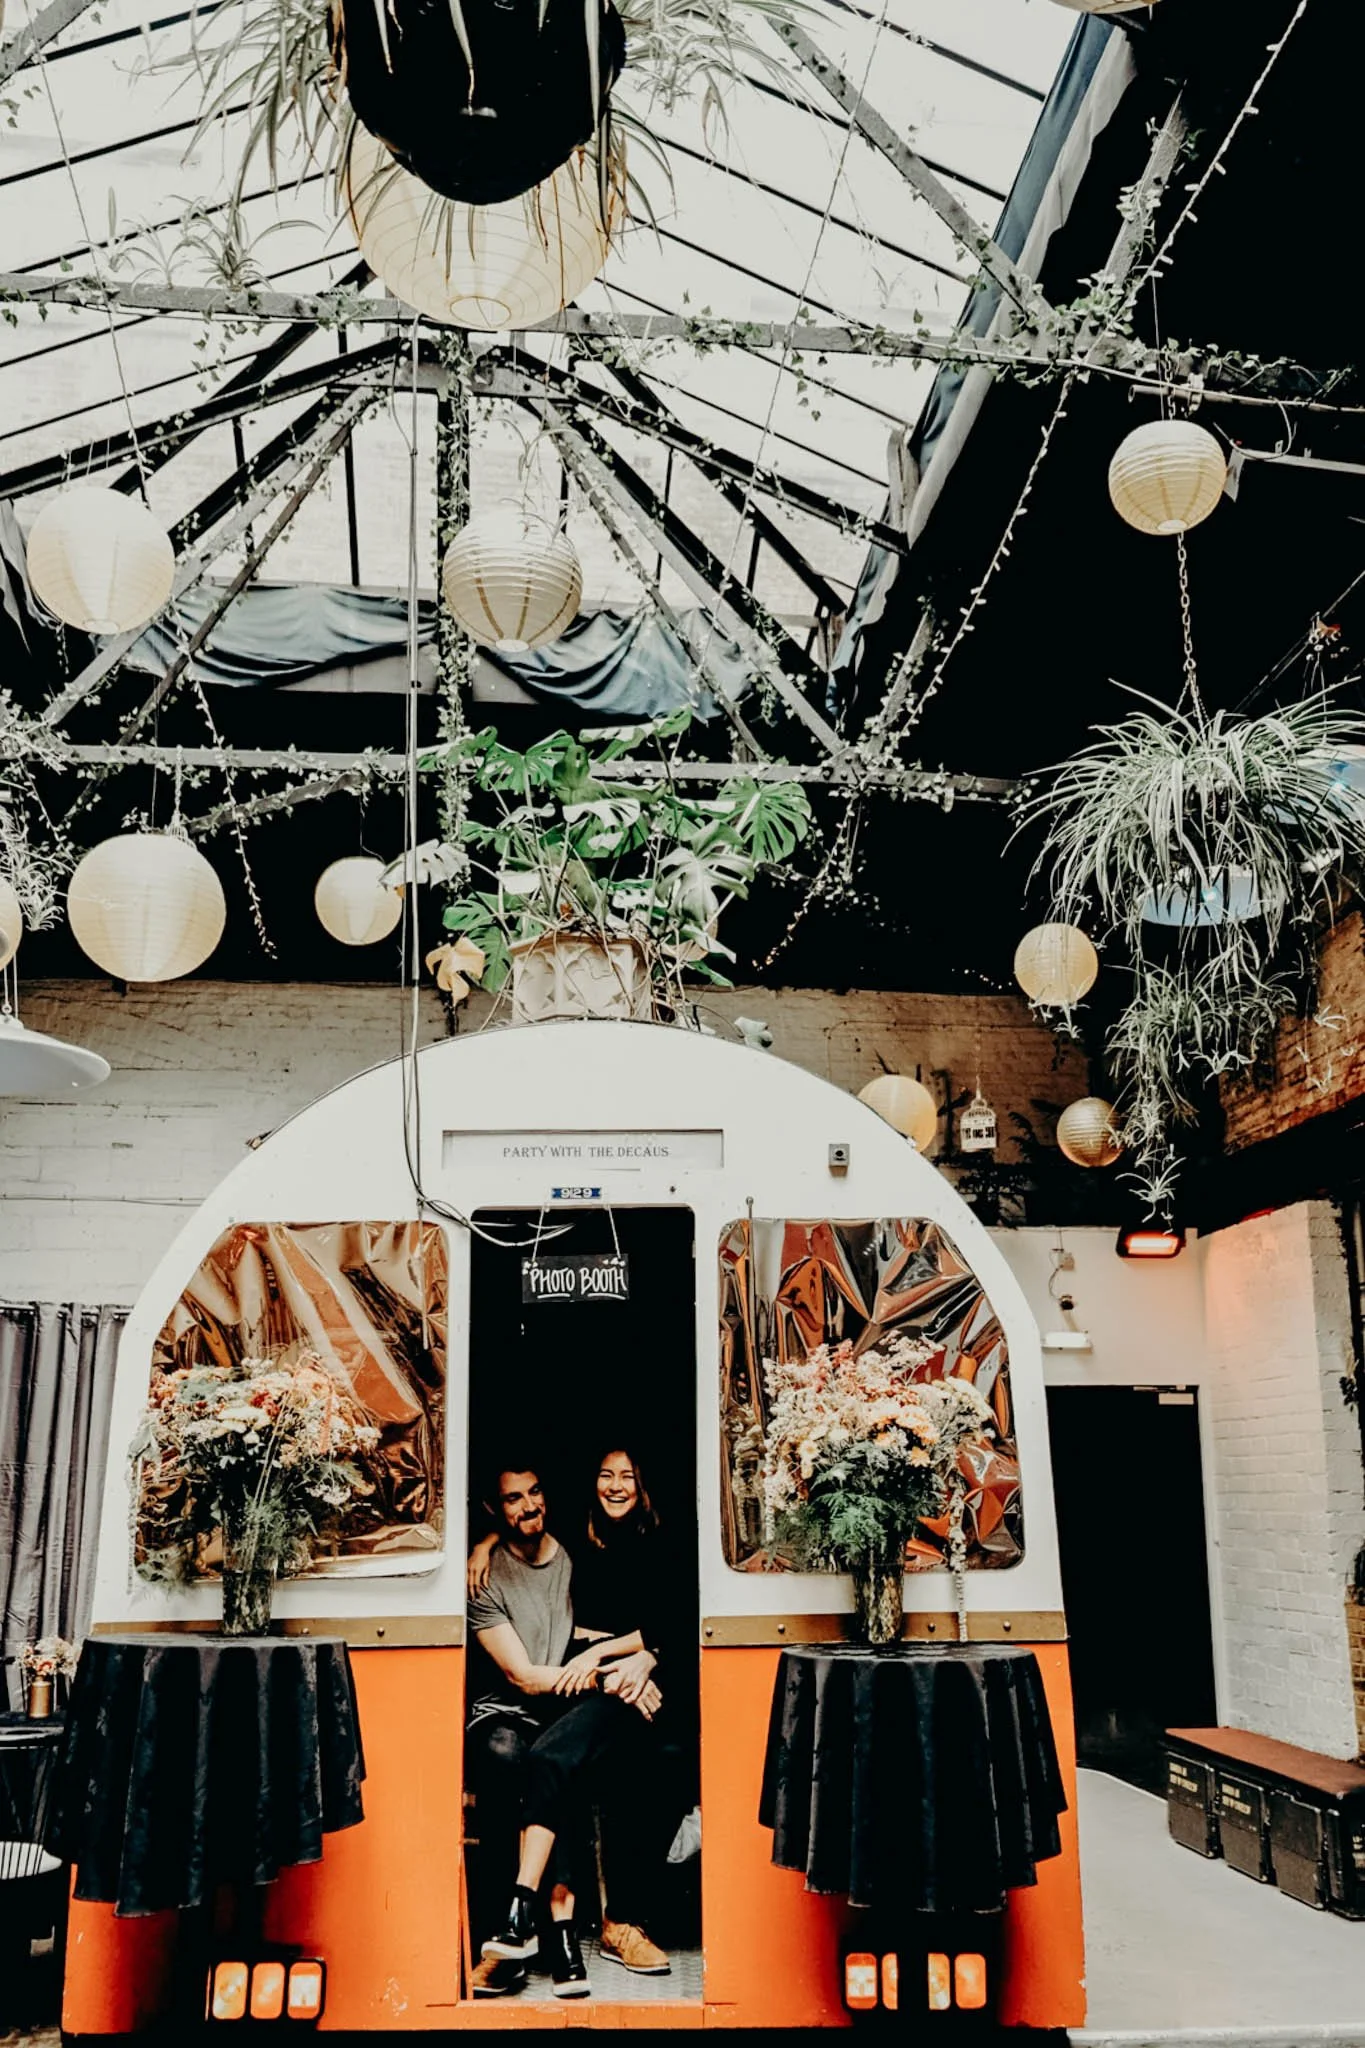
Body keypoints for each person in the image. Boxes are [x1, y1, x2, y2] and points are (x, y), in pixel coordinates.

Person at [468, 1446, 689, 1980]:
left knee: (660, 1758)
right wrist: (483, 1543)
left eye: (627, 1477)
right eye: (605, 1475)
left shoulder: (667, 1539)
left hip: (642, 1685)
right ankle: (544, 1927)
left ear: (644, 1485)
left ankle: (615, 1923)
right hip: (599, 1687)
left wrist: (638, 1659)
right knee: (545, 1759)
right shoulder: (580, 1535)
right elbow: (520, 1523)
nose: (615, 1486)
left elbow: (677, 1621)